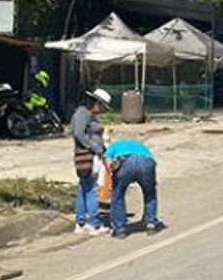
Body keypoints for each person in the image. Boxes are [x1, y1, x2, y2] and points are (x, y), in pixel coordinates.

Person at [104, 138, 164, 239]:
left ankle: (120, 228)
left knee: (118, 194)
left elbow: (108, 162)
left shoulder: (113, 146)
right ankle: (150, 223)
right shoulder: (141, 146)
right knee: (150, 192)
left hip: (125, 161)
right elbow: (152, 160)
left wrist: (111, 179)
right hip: (146, 161)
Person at [70, 89, 111, 236]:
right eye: (102, 107)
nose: (101, 110)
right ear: (96, 103)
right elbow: (78, 134)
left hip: (91, 155)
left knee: (84, 188)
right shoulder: (83, 114)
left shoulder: (88, 114)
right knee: (91, 189)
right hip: (88, 157)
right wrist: (94, 147)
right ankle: (94, 223)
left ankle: (81, 223)